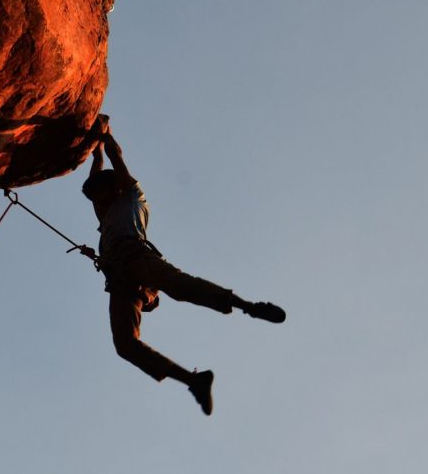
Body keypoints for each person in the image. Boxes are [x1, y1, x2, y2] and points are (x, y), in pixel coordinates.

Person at [78, 115, 285, 415]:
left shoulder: (132, 196)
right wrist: (94, 148)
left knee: (179, 286)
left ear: (113, 189)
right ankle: (193, 380)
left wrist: (106, 135)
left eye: (99, 194)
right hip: (121, 278)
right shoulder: (107, 213)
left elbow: (115, 157)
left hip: (137, 257)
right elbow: (97, 169)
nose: (96, 201)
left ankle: (247, 306)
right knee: (125, 345)